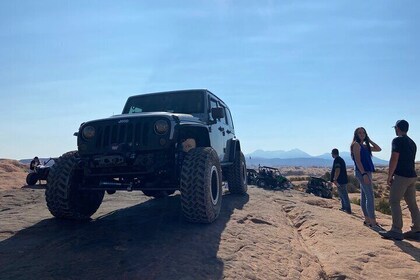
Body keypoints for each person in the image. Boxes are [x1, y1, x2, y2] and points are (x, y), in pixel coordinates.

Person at [379, 120, 420, 241]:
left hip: (401, 176)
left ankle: (396, 230)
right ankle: (417, 229)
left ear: (397, 128)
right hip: (412, 176)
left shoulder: (397, 140)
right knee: (412, 203)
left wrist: (389, 175)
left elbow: (394, 158)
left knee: (394, 201)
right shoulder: (412, 142)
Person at [351, 127, 382, 229]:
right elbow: (358, 161)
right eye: (359, 133)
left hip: (366, 172)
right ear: (356, 134)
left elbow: (378, 149)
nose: (361, 134)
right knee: (370, 196)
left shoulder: (364, 146)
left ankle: (367, 220)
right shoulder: (356, 145)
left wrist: (369, 140)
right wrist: (364, 174)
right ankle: (373, 223)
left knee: (364, 196)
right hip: (362, 172)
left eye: (363, 133)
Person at [330, 148, 351, 214]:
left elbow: (337, 170)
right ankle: (344, 207)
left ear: (333, 154)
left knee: (344, 194)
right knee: (341, 194)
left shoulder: (337, 160)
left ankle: (347, 209)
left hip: (340, 181)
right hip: (342, 180)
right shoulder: (340, 159)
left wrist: (335, 179)